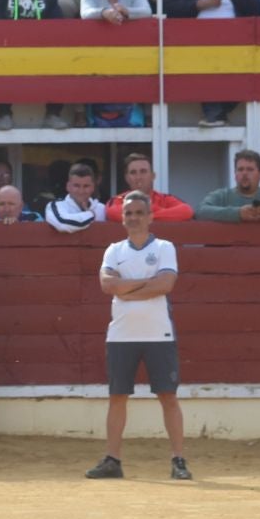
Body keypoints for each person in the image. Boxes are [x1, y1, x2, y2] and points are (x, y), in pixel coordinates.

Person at [86, 191, 189, 482]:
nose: (133, 218)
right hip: (121, 333)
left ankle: (178, 459)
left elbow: (166, 283)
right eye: (128, 213)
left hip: (158, 332)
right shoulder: (114, 250)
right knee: (117, 396)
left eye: (139, 213)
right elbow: (107, 286)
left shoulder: (165, 247)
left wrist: (126, 288)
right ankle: (112, 459)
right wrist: (147, 283)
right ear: (122, 218)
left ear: (150, 216)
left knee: (167, 396)